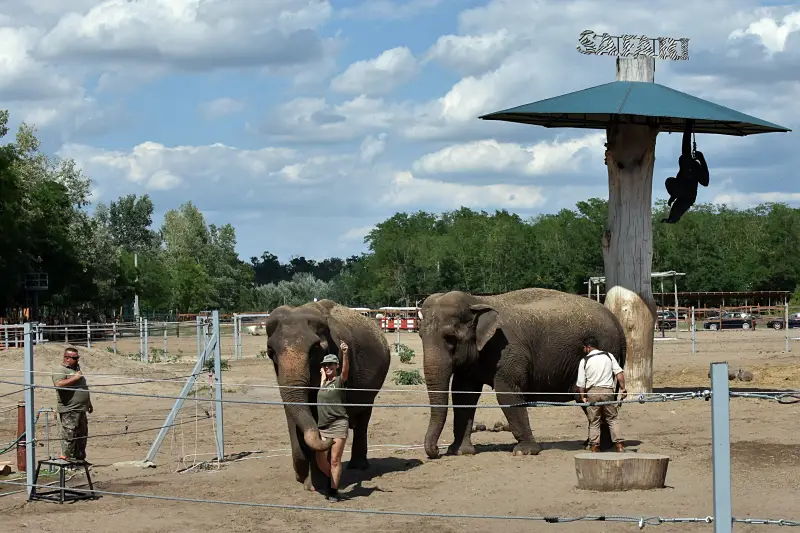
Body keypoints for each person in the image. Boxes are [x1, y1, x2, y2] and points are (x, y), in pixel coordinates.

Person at [576, 335, 626, 453]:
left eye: (584, 348)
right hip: (608, 391)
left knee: (594, 421)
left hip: (592, 392)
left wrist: (583, 397)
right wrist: (623, 389)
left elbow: (581, 384)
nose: (583, 350)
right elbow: (619, 373)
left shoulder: (584, 361)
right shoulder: (608, 356)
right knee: (612, 419)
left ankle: (594, 446)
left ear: (588, 347)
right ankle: (619, 445)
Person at [316, 341, 350, 502]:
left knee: (335, 459)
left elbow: (345, 372)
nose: (327, 367)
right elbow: (323, 376)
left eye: (330, 364)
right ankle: (333, 479)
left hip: (338, 423)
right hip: (323, 426)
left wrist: (345, 354)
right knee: (320, 458)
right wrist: (323, 374)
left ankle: (333, 491)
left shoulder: (339, 381)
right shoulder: (323, 383)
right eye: (325, 365)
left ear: (336, 366)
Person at [52, 347, 93, 462]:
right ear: (67, 358)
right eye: (75, 358)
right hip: (69, 409)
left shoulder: (76, 370)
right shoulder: (60, 370)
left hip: (81, 409)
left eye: (77, 357)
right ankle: (67, 460)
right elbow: (58, 384)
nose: (77, 360)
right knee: (69, 436)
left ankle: (80, 460)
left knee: (82, 435)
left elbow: (82, 388)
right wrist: (75, 378)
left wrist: (88, 402)